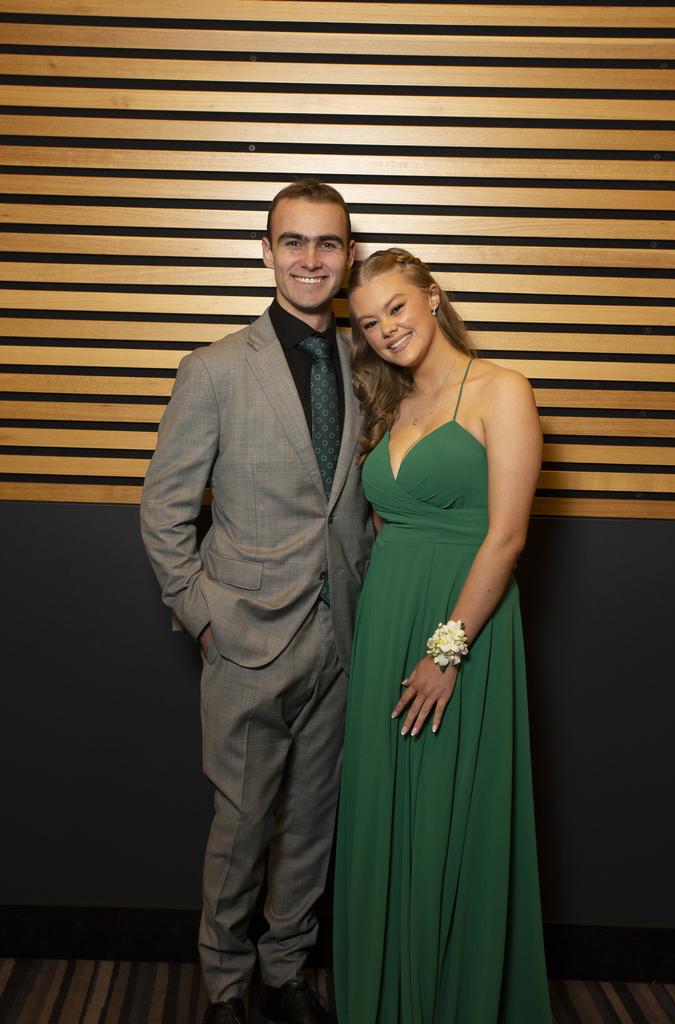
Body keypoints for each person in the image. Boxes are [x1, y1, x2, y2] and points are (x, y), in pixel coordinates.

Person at [140, 179, 372, 1024]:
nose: (311, 258)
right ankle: (226, 984)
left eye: (329, 244)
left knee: (313, 823)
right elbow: (164, 509)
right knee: (241, 830)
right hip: (244, 640)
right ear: (265, 251)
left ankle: (284, 971)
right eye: (295, 242)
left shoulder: (372, 362)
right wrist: (202, 616)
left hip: (345, 636)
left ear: (348, 258)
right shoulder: (213, 369)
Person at [333, 248, 551, 1022]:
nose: (387, 329)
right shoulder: (387, 405)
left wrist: (445, 651)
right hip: (388, 623)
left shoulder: (502, 390)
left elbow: (507, 537)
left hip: (464, 633)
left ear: (432, 294)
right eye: (368, 322)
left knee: (448, 822)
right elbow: (389, 528)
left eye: (396, 307)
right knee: (388, 817)